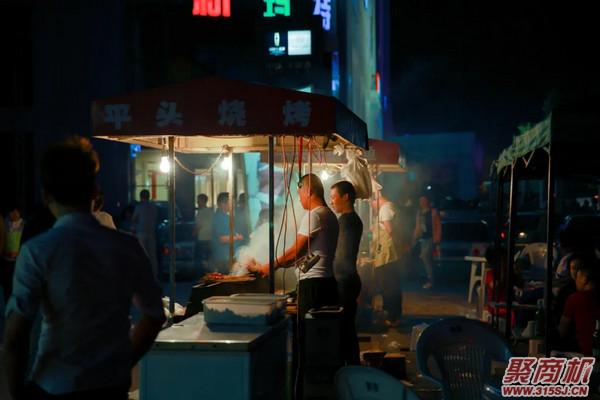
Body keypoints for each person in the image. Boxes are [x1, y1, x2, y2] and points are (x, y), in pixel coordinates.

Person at [3, 136, 165, 400]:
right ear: (94, 191)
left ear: (46, 196)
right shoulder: (126, 246)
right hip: (111, 385)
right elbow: (154, 314)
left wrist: (17, 392)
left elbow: (14, 339)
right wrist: (124, 361)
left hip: (54, 384)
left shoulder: (38, 251)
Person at [330, 180, 363, 365]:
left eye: (334, 197)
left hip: (344, 281)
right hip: (349, 280)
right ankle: (352, 366)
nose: (332, 201)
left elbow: (341, 255)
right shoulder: (352, 219)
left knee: (344, 329)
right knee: (347, 328)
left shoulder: (346, 221)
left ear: (346, 197)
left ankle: (349, 369)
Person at [370, 192, 402, 326]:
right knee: (389, 285)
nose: (372, 207)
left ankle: (392, 317)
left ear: (376, 199)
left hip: (387, 255)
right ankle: (391, 315)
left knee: (388, 286)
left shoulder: (385, 208)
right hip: (387, 254)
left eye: (370, 203)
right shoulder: (388, 207)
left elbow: (390, 230)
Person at [559, 261, 600, 355]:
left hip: (585, 352)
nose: (575, 281)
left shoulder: (574, 299)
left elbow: (562, 330)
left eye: (577, 278)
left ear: (584, 279)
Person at [412, 195, 441, 289]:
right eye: (421, 201)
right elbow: (418, 226)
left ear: (427, 201)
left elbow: (438, 225)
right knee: (425, 258)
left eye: (424, 200)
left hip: (430, 238)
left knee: (425, 256)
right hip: (422, 238)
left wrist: (437, 238)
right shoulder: (419, 212)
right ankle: (426, 279)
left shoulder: (433, 212)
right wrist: (414, 237)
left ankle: (430, 280)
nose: (422, 202)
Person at [211, 192, 244, 273]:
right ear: (223, 204)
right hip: (224, 258)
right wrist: (237, 238)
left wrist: (236, 235)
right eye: (231, 203)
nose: (232, 205)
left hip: (228, 257)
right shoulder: (219, 218)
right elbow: (222, 239)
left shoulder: (225, 217)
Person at [1, 205, 25, 303]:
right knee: (7, 285)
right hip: (6, 260)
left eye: (15, 212)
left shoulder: (23, 224)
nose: (13, 214)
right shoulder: (5, 223)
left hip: (18, 260)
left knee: (16, 285)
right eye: (11, 212)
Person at [132, 189, 158, 278]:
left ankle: (144, 276)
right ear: (149, 196)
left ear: (140, 197)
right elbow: (156, 217)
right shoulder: (153, 207)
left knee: (142, 254)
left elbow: (134, 219)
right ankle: (154, 275)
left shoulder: (139, 207)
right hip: (152, 233)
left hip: (141, 232)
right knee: (152, 256)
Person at [193, 193, 213, 276]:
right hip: (210, 238)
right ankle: (210, 274)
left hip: (202, 238)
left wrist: (193, 234)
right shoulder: (210, 211)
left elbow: (198, 226)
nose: (197, 202)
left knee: (202, 259)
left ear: (202, 201)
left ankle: (204, 276)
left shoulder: (200, 212)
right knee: (208, 258)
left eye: (198, 200)